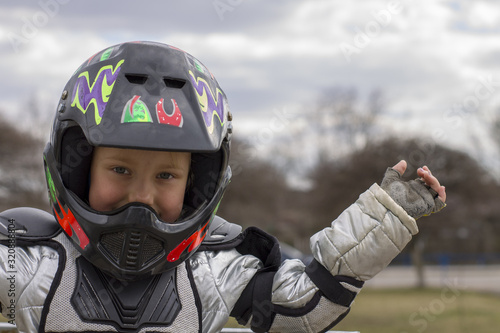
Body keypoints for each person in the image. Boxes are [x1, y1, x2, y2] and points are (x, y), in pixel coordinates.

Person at [0, 41, 446, 333]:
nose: (142, 197)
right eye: (120, 170)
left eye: (166, 176)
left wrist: (383, 216)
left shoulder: (218, 265)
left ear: (199, 183)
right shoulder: (25, 256)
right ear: (75, 168)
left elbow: (303, 309)